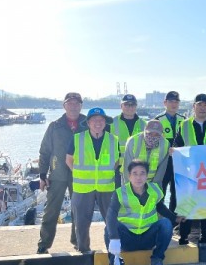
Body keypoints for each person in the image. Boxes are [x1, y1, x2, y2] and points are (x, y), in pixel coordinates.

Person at [105, 160, 185, 265]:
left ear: (147, 176)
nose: (138, 177)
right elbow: (110, 215)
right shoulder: (120, 193)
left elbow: (160, 207)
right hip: (127, 239)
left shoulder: (155, 190)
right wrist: (114, 238)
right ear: (129, 176)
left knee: (166, 224)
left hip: (148, 238)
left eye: (142, 173)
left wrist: (175, 218)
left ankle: (157, 259)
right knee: (109, 228)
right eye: (135, 173)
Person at [37, 92, 87, 254]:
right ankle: (44, 243)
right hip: (57, 174)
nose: (73, 106)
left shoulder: (88, 123)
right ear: (64, 105)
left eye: (76, 103)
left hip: (80, 174)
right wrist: (43, 175)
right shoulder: (54, 126)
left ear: (81, 105)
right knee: (51, 210)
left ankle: (78, 241)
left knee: (79, 210)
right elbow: (44, 152)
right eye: (70, 103)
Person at [66, 107, 119, 253]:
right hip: (83, 188)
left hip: (106, 187)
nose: (98, 122)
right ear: (88, 122)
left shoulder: (113, 139)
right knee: (81, 223)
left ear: (105, 123)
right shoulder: (78, 138)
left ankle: (113, 251)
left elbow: (116, 162)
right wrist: (79, 174)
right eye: (94, 120)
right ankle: (83, 250)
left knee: (111, 221)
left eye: (101, 120)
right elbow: (69, 159)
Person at [174, 93, 206, 245]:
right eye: (199, 105)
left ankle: (205, 236)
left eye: (205, 105)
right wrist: (174, 151)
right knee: (187, 204)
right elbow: (178, 146)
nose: (202, 108)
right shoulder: (184, 125)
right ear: (193, 106)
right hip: (189, 172)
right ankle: (184, 236)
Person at [154, 91, 186, 212]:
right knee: (159, 191)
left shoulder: (184, 121)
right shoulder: (157, 121)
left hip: (179, 163)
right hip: (162, 162)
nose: (174, 104)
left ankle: (174, 221)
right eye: (171, 101)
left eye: (176, 101)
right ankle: (159, 218)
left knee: (176, 191)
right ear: (165, 103)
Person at [110, 94, 146, 187]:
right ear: (121, 106)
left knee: (135, 197)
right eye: (126, 105)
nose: (130, 107)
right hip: (117, 167)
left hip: (138, 168)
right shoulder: (111, 123)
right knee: (118, 196)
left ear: (136, 106)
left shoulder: (144, 124)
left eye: (132, 105)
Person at [122, 120, 169, 184]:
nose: (153, 137)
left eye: (156, 134)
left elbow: (161, 170)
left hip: (152, 183)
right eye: (150, 133)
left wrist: (155, 187)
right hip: (133, 182)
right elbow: (127, 167)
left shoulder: (165, 144)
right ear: (144, 131)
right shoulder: (133, 141)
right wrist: (129, 187)